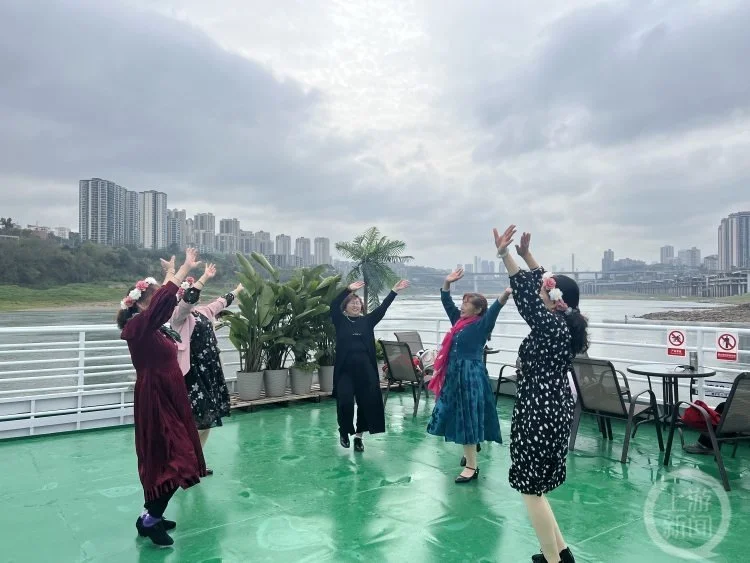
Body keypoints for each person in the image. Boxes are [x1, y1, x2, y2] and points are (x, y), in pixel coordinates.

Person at [494, 226, 589, 563]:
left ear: (554, 296)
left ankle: (552, 560)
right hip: (553, 404)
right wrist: (527, 256)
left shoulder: (550, 326)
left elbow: (524, 297)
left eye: (544, 290)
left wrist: (506, 255)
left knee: (530, 488)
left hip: (539, 408)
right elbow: (539, 285)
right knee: (536, 486)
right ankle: (561, 552)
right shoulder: (565, 323)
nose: (539, 292)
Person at [117, 248, 208, 547]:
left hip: (169, 395)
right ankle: (151, 518)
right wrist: (184, 268)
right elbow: (163, 302)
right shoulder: (137, 327)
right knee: (176, 457)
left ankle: (150, 515)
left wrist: (170, 271)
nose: (160, 302)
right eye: (154, 297)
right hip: (156, 398)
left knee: (172, 456)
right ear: (143, 303)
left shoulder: (153, 327)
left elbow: (165, 305)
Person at [426, 267, 511, 483]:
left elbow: (495, 309)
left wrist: (506, 293)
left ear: (478, 309)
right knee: (456, 414)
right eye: (462, 303)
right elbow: (447, 302)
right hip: (454, 375)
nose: (462, 306)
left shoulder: (482, 324)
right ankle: (471, 451)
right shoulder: (458, 322)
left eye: (466, 303)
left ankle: (472, 467)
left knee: (467, 418)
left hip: (470, 376)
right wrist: (447, 283)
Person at [169, 262, 243, 474]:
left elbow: (221, 302)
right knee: (195, 421)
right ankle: (184, 461)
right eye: (188, 296)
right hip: (192, 374)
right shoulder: (178, 316)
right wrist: (204, 277)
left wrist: (237, 290)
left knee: (208, 419)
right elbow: (189, 299)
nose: (193, 299)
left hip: (209, 370)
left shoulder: (203, 312)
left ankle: (196, 462)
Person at [330, 279, 410, 451]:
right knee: (345, 402)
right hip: (345, 371)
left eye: (358, 302)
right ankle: (344, 430)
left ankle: (359, 437)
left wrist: (393, 291)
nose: (355, 305)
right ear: (345, 307)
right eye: (352, 302)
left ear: (362, 306)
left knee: (366, 404)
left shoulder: (368, 321)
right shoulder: (340, 321)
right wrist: (348, 290)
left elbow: (383, 308)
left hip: (366, 370)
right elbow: (333, 305)